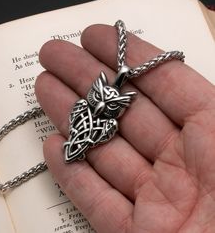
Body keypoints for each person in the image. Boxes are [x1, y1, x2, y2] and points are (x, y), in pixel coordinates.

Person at [35, 24, 215, 232]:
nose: (101, 106)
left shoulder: (110, 123)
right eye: (99, 99)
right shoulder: (84, 105)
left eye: (110, 105)